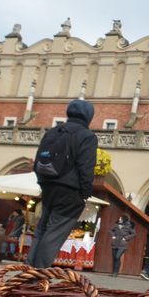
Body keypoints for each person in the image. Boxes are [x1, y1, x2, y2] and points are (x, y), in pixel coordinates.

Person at [29, 99, 98, 268]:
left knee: (42, 230)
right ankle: (38, 276)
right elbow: (86, 167)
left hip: (48, 186)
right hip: (70, 190)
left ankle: (28, 271)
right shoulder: (86, 136)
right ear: (88, 116)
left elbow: (37, 160)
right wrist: (85, 193)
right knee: (54, 232)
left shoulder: (53, 131)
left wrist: (43, 182)